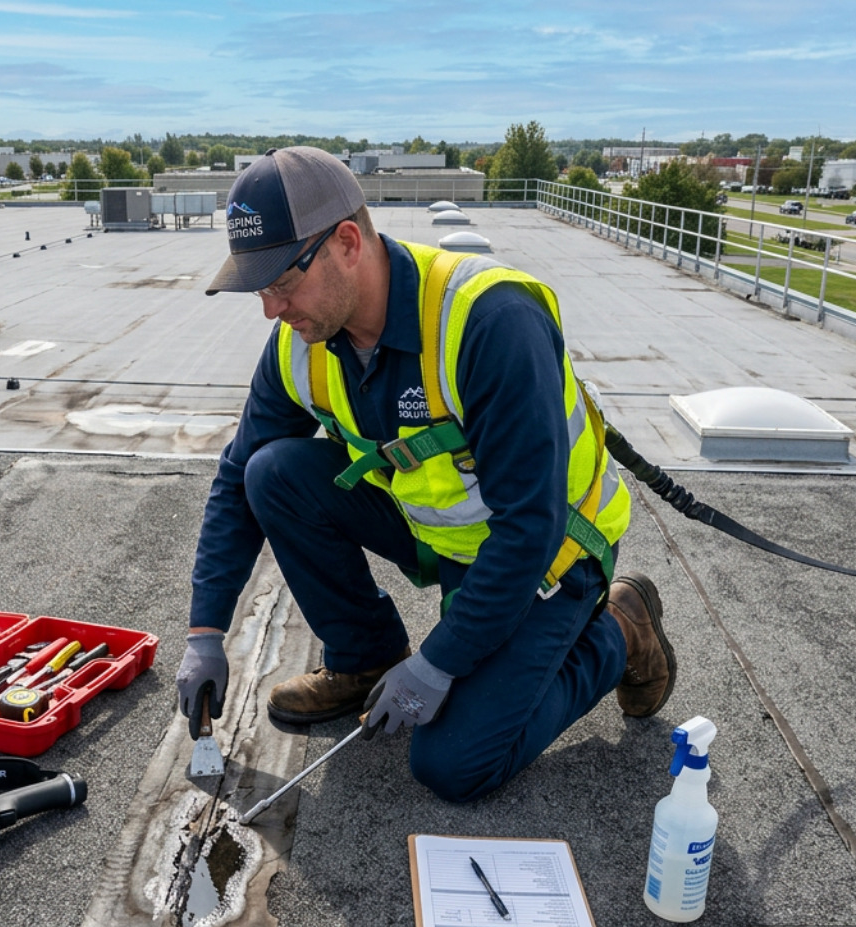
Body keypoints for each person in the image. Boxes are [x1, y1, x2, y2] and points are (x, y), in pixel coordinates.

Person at [174, 147, 676, 803]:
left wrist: (439, 661)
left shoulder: (488, 321)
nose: (271, 309)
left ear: (347, 242)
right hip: (436, 528)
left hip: (549, 551)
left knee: (454, 764)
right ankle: (365, 659)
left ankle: (620, 626)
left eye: (281, 282)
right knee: (271, 472)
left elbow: (529, 525)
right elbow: (238, 476)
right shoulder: (303, 344)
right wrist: (204, 633)